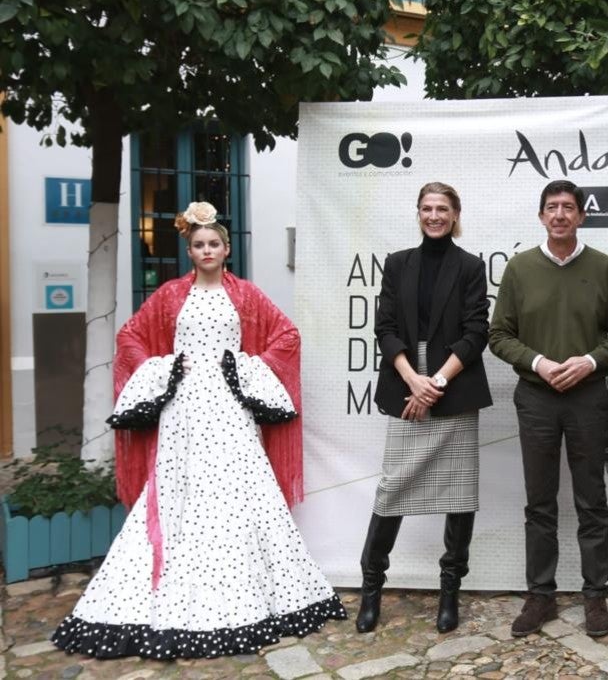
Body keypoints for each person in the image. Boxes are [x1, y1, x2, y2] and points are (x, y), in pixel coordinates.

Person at [51, 202, 345, 659]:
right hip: (184, 410)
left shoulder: (246, 295)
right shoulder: (169, 296)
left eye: (214, 244)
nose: (207, 250)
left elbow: (287, 336)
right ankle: (170, 595)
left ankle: (254, 596)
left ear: (227, 250)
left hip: (231, 407)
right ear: (190, 251)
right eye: (198, 245)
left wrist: (246, 367)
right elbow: (129, 337)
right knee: (179, 492)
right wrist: (166, 367)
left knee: (240, 490)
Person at [488, 180, 608, 638]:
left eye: (568, 207)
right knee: (540, 501)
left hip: (589, 397)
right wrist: (539, 362)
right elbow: (499, 335)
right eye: (551, 207)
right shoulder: (519, 269)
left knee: (591, 499)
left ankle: (596, 597)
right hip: (536, 398)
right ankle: (541, 597)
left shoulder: (603, 267)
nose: (559, 215)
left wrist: (588, 361)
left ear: (580, 216)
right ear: (540, 216)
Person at [356, 182, 493, 635]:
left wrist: (434, 381)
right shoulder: (398, 264)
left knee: (460, 498)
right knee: (392, 490)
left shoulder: (471, 267)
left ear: (455, 214)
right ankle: (371, 589)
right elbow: (386, 327)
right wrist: (413, 379)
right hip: (405, 385)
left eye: (443, 209)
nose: (434, 215)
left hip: (452, 387)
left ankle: (449, 592)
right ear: (418, 214)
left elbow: (476, 332)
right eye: (427, 208)